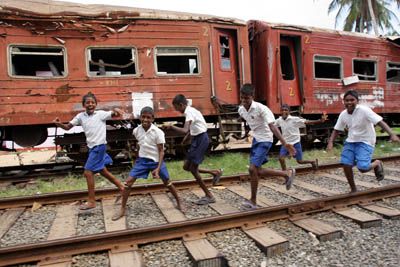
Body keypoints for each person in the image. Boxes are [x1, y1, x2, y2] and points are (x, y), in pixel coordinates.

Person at [53, 92, 125, 210]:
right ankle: (122, 188)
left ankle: (92, 201)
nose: (90, 104)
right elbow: (68, 127)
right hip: (92, 148)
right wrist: (58, 124)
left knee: (88, 173)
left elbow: (114, 114)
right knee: (103, 171)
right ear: (84, 105)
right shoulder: (80, 116)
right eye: (88, 103)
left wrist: (117, 110)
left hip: (99, 147)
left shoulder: (101, 114)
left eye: (92, 102)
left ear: (96, 104)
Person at [112, 106, 183, 220]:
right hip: (142, 161)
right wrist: (136, 159)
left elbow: (161, 151)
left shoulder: (158, 132)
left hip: (156, 161)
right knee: (128, 182)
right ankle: (122, 209)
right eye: (143, 117)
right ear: (140, 117)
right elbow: (140, 144)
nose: (145, 120)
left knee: (167, 182)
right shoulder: (136, 130)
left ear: (153, 119)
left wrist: (158, 169)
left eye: (148, 117)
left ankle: (179, 201)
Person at [327, 89, 400, 192]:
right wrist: (330, 142)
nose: (349, 103)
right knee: (346, 164)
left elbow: (380, 121)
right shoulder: (343, 114)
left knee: (363, 168)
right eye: (347, 100)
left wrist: (392, 134)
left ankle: (377, 163)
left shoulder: (364, 110)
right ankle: (353, 189)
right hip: (351, 141)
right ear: (343, 101)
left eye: (352, 100)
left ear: (357, 101)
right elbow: (336, 129)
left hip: (366, 141)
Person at [238, 84, 296, 209]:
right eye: (242, 98)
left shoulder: (262, 109)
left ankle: (253, 201)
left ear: (252, 97)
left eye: (246, 98)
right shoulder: (241, 109)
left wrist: (285, 143)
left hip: (265, 139)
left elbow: (272, 126)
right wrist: (245, 132)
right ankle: (286, 174)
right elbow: (247, 120)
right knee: (257, 170)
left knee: (252, 169)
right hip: (256, 139)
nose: (244, 101)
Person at [164, 94, 222, 205]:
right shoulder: (191, 111)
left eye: (176, 107)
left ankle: (209, 196)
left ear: (181, 105)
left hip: (201, 140)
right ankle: (214, 172)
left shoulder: (189, 112)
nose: (176, 110)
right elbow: (192, 130)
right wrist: (186, 140)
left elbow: (186, 130)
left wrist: (171, 127)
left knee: (193, 169)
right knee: (187, 167)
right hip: (197, 139)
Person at [275, 104, 327, 171]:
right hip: (286, 143)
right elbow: (271, 125)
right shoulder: (279, 120)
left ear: (289, 111)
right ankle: (285, 172)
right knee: (281, 158)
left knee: (300, 161)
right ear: (280, 111)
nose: (284, 112)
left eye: (286, 110)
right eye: (282, 110)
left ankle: (312, 161)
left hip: (295, 142)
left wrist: (319, 120)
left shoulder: (294, 119)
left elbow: (306, 122)